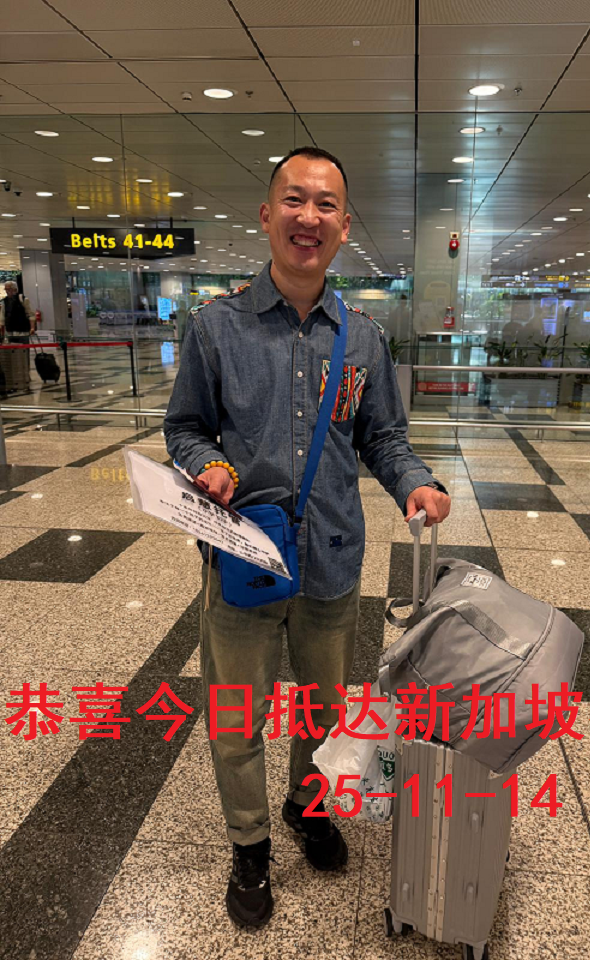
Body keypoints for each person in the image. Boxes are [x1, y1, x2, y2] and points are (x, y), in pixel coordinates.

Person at [163, 146, 451, 930]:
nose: (308, 217)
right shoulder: (215, 327)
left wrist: (416, 482)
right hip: (242, 561)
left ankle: (306, 805)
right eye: (295, 200)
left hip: (331, 559)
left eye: (326, 205)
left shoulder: (364, 339)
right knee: (236, 720)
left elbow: (383, 438)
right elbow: (184, 427)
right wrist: (207, 464)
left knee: (322, 713)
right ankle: (249, 844)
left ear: (344, 226)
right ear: (268, 215)